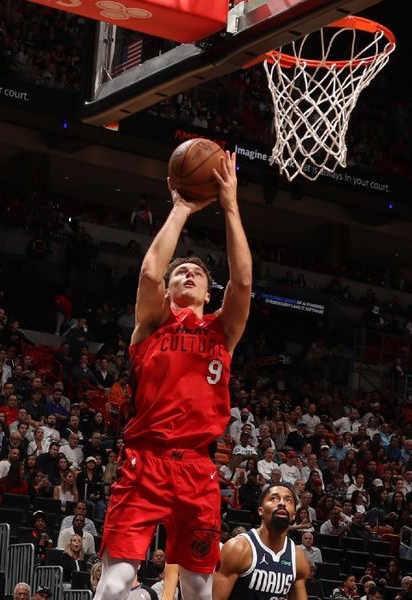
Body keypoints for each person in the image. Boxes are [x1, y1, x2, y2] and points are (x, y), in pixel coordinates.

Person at [96, 152, 251, 600]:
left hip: (198, 469)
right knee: (116, 583)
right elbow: (148, 272)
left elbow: (242, 283)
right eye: (180, 270)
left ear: (207, 291)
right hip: (145, 461)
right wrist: (182, 206)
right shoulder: (152, 324)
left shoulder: (223, 331)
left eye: (198, 273)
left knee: (199, 588)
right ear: (169, 288)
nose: (188, 273)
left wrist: (230, 205)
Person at [213, 483, 309, 600]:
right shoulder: (238, 548)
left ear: (294, 515)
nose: (282, 503)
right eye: (274, 498)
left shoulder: (298, 558)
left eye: (288, 500)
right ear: (260, 511)